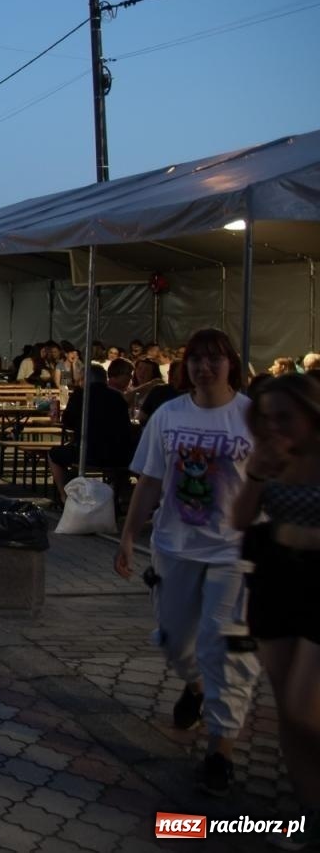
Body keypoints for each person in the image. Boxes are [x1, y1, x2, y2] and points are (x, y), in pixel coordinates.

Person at [115, 327, 259, 797]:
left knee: (226, 647)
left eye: (215, 358)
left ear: (231, 364)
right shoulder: (168, 415)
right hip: (174, 546)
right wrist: (128, 534)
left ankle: (221, 748)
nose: (205, 366)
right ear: (185, 366)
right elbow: (150, 482)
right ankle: (194, 686)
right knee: (173, 639)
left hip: (234, 552)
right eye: (196, 358)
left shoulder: (252, 418)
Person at [230, 373, 320, 825]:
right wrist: (256, 475)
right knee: (287, 704)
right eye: (267, 419)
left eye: (286, 417)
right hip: (277, 578)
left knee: (307, 708)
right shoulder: (268, 457)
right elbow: (240, 519)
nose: (276, 427)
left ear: (311, 414)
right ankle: (309, 810)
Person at [47, 364, 135, 498]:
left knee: (53, 454)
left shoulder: (80, 395)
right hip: (119, 455)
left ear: (85, 379)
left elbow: (68, 421)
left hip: (88, 453)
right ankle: (117, 495)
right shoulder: (117, 397)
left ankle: (64, 497)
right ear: (104, 379)